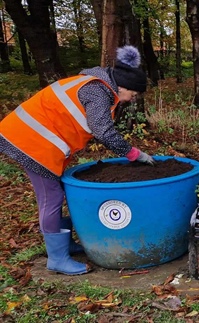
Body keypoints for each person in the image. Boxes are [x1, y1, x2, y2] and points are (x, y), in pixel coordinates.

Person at [0, 45, 155, 275]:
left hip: (35, 139)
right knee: (50, 196)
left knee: (56, 192)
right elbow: (103, 130)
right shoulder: (97, 91)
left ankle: (65, 245)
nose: (130, 100)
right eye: (132, 95)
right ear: (122, 86)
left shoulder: (95, 84)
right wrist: (134, 153)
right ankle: (57, 258)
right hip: (30, 141)